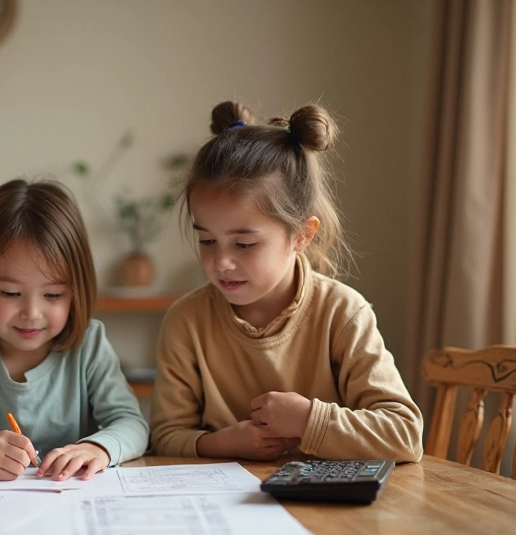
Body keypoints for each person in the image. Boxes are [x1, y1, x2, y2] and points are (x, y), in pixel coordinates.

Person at [150, 101, 423, 463]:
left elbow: (404, 436)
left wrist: (310, 421)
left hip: (329, 515)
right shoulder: (186, 321)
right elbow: (167, 435)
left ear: (301, 236)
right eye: (207, 240)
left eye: (244, 244)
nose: (221, 262)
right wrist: (223, 443)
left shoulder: (344, 313)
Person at [0, 180, 148, 481]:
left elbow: (132, 423)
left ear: (76, 290)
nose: (32, 314)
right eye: (9, 293)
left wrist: (97, 448)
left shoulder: (89, 343)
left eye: (53, 296)